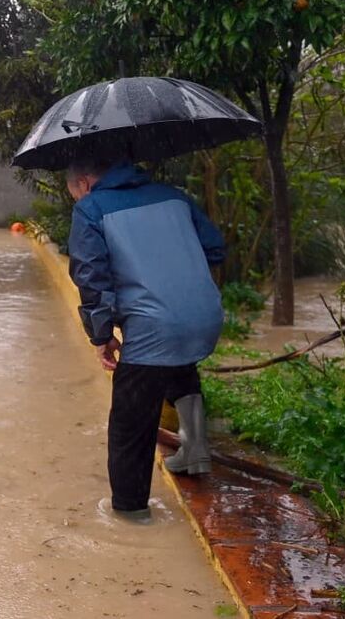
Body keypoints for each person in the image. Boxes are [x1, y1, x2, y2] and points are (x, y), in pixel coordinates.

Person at [65, 158, 225, 519]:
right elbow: (215, 248)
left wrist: (101, 335)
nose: (78, 200)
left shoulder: (91, 208)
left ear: (85, 183)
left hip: (154, 325)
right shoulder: (174, 196)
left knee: (130, 421)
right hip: (205, 315)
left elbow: (91, 277)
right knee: (178, 364)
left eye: (75, 193)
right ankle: (195, 451)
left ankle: (131, 514)